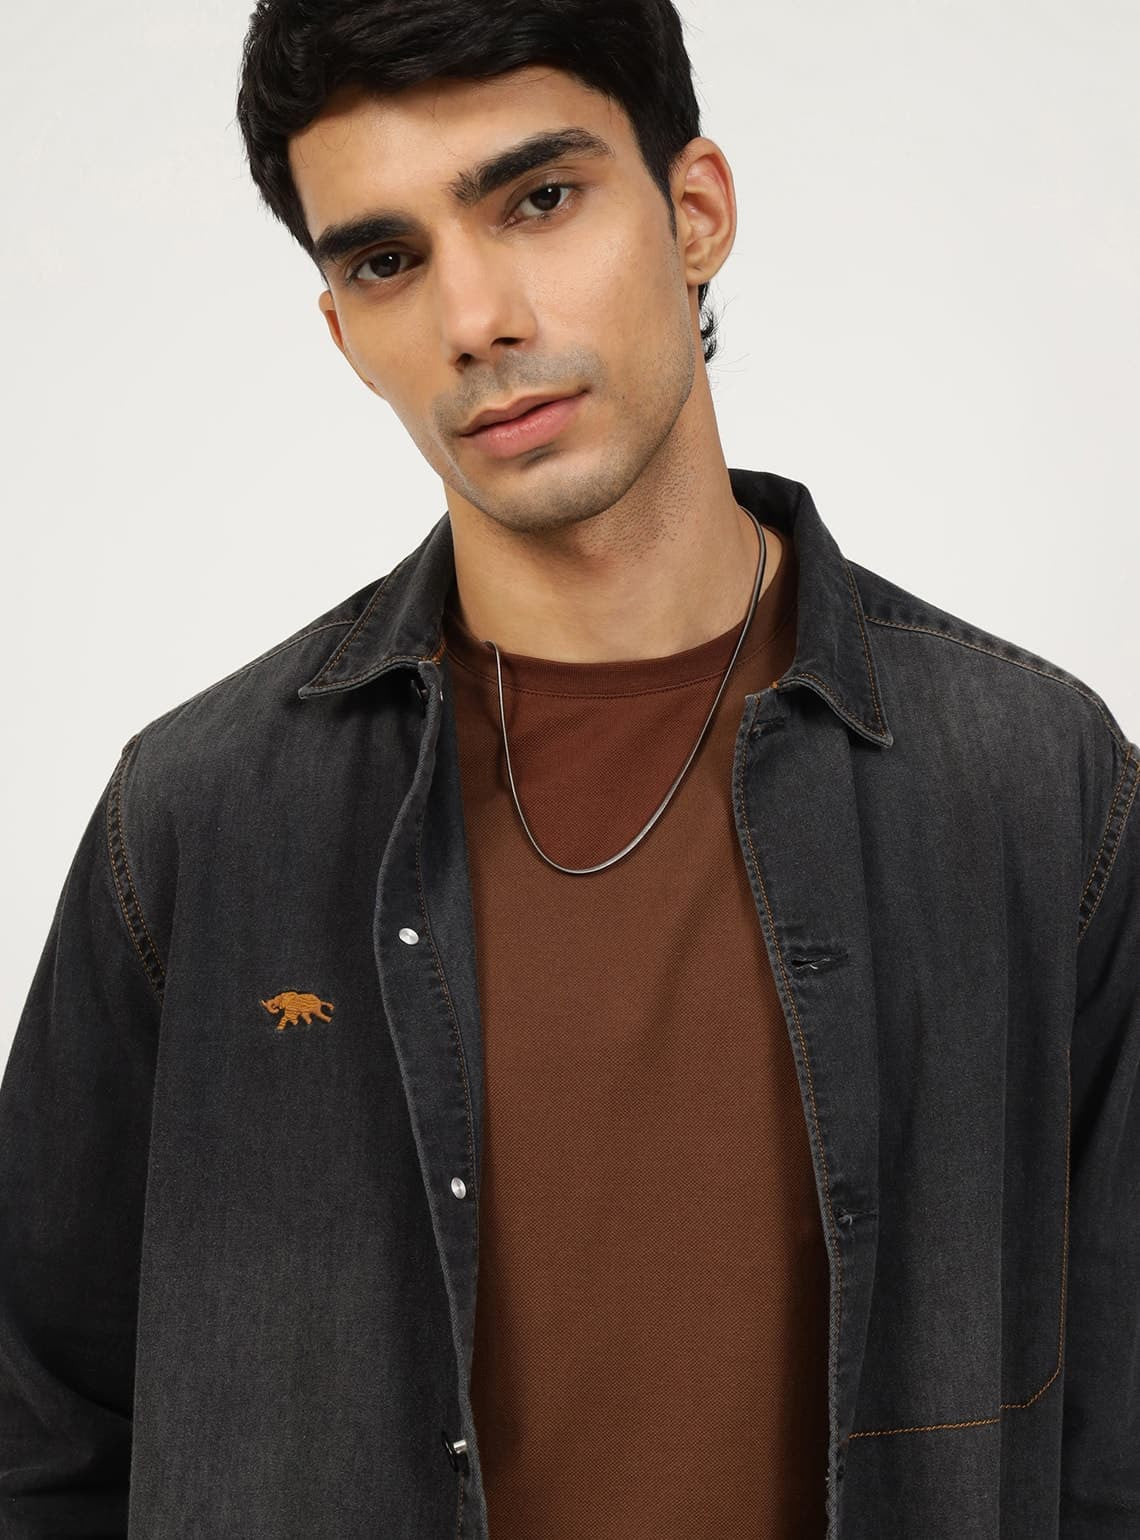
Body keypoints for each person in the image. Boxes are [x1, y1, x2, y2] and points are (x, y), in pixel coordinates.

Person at [1, 1, 1136, 1536]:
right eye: (386, 259)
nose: (475, 319)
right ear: (341, 332)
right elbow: (37, 1433)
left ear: (694, 211)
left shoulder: (1030, 787)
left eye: (538, 198)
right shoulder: (203, 817)